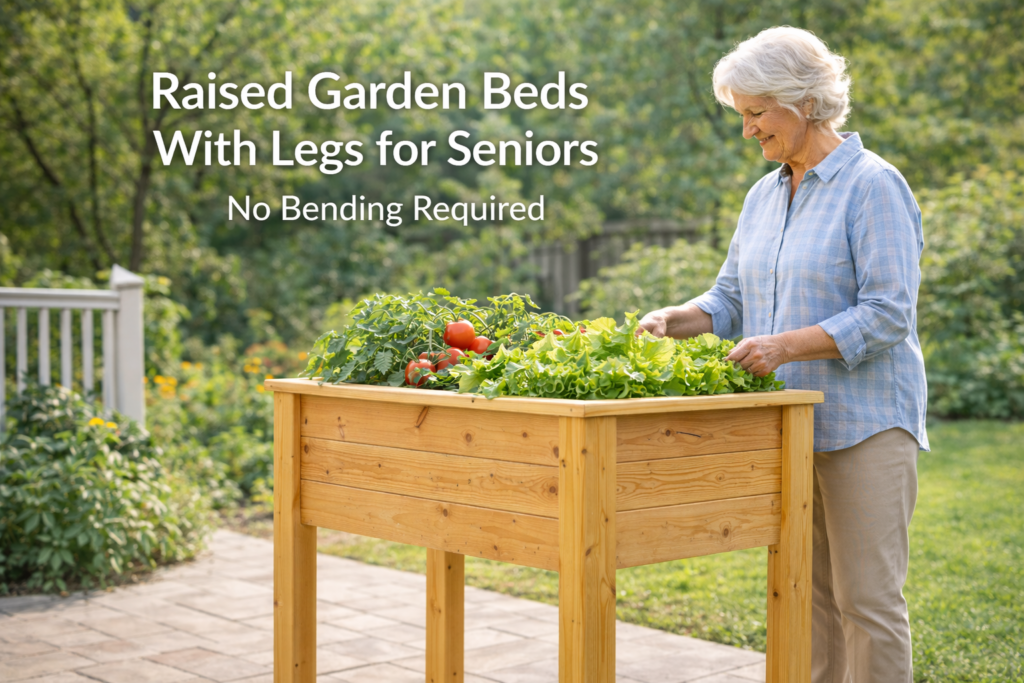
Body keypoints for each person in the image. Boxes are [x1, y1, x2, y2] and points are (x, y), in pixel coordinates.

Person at [638, 26, 929, 683]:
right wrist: (672, 319)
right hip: (790, 429)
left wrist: (785, 344)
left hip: (865, 425)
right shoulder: (764, 196)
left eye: (755, 113)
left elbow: (888, 312)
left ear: (804, 102)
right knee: (809, 598)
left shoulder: (873, 186)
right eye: (742, 115)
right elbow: (731, 297)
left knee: (867, 601)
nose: (747, 131)